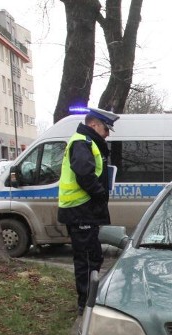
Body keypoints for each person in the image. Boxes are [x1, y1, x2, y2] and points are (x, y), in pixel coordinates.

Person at [58, 107, 119, 315]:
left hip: (84, 210)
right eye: (106, 129)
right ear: (93, 125)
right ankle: (85, 304)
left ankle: (90, 298)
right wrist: (100, 193)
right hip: (80, 210)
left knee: (92, 256)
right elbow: (85, 174)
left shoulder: (87, 142)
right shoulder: (82, 142)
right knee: (86, 259)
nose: (107, 134)